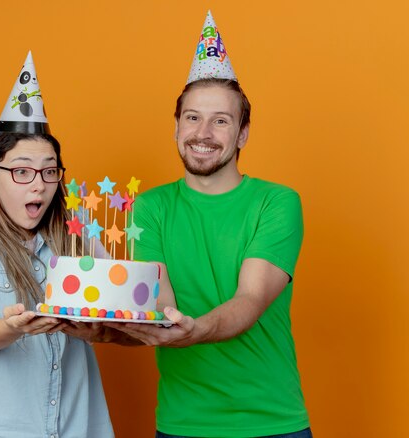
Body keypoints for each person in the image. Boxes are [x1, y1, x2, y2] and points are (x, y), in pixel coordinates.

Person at [106, 12, 312, 438]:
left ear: (243, 134)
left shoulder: (277, 202)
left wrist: (195, 330)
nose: (203, 132)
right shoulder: (150, 207)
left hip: (272, 423)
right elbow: (160, 304)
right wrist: (101, 328)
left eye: (221, 120)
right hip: (183, 424)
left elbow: (251, 299)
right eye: (192, 117)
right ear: (177, 125)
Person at [0, 52, 113, 437]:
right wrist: (16, 326)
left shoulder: (75, 231)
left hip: (78, 426)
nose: (38, 184)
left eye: (50, 170)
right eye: (21, 171)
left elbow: (122, 297)